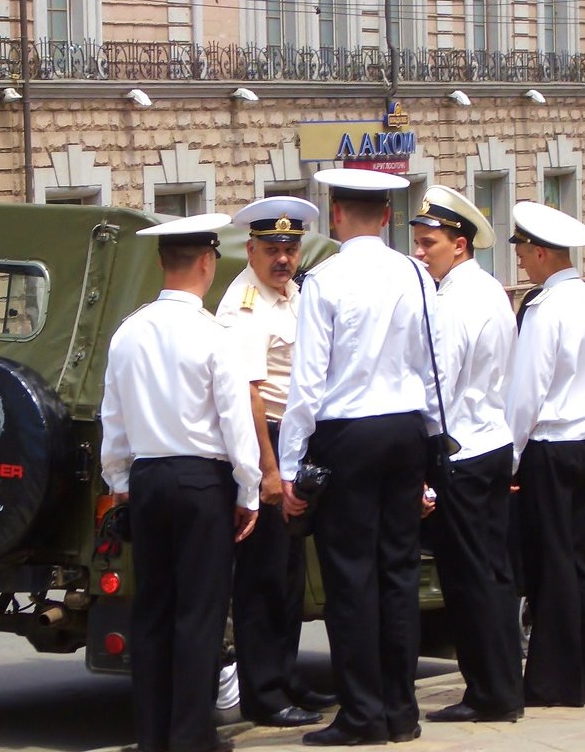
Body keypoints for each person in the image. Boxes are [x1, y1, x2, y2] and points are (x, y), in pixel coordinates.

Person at [279, 168, 440, 747]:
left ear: (337, 214)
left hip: (346, 433)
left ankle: (362, 714)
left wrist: (295, 463)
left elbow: (307, 385)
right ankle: (401, 710)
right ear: (390, 217)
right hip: (403, 430)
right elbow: (430, 364)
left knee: (351, 578)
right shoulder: (415, 273)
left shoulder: (323, 281)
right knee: (398, 574)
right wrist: (430, 445)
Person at [100, 213, 262, 752]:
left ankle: (152, 736)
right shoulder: (214, 335)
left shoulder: (129, 332)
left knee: (152, 610)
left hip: (147, 477)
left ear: (162, 263)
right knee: (199, 613)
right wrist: (249, 489)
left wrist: (120, 480)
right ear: (207, 262)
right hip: (200, 480)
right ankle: (190, 737)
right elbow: (236, 421)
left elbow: (114, 419)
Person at [215, 196, 333, 728]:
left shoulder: (291, 295)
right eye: (272, 249)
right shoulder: (245, 304)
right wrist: (267, 470)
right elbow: (250, 394)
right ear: (250, 249)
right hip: (269, 439)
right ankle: (263, 694)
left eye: (290, 247)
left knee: (288, 577)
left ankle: (285, 678)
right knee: (263, 579)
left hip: (295, 438)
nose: (283, 258)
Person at [410, 185, 524, 724]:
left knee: (469, 577)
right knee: (493, 572)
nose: (419, 252)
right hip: (491, 443)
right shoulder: (488, 290)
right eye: (416, 241)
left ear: (460, 244)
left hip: (463, 452)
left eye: (428, 243)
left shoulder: (453, 301)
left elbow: (439, 388)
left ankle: (488, 693)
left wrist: (423, 459)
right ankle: (502, 685)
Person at [504, 201, 585, 709]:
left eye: (524, 251)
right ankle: (583, 676)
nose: (522, 261)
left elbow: (527, 391)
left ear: (543, 253)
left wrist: (512, 455)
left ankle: (553, 681)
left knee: (550, 568)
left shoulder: (546, 308)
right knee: (577, 563)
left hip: (548, 446)